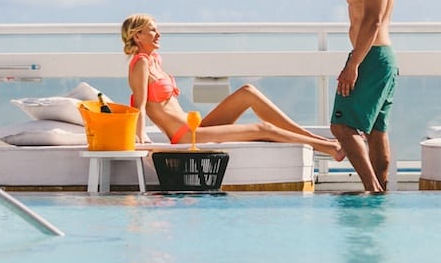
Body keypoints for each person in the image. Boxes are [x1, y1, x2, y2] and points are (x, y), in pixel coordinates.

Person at [121, 14, 345, 160]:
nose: (158, 34)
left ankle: (319, 139)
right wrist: (142, 139)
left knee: (247, 92)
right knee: (262, 129)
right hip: (185, 135)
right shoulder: (140, 63)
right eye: (152, 30)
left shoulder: (155, 60)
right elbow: (139, 105)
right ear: (137, 35)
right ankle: (329, 148)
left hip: (195, 126)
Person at [330, 0, 397, 192]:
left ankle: (373, 190)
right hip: (378, 58)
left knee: (342, 127)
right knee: (376, 131)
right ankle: (381, 191)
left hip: (370, 57)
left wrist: (354, 63)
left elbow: (373, 20)